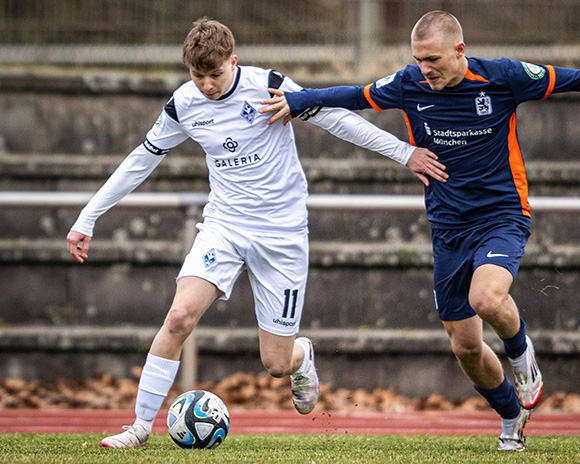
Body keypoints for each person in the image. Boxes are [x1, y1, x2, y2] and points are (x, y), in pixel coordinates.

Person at [66, 17, 447, 448]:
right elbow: (142, 158)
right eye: (197, 75)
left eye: (215, 74)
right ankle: (138, 428)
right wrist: (88, 216)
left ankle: (301, 357)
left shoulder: (270, 86)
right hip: (224, 227)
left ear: (234, 61)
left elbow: (338, 120)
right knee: (178, 317)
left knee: (276, 364)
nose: (207, 85)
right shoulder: (183, 103)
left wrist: (404, 153)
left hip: (282, 235)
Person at [260, 10, 559, 451]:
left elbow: (572, 78)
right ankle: (511, 416)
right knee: (465, 347)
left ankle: (521, 355)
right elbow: (355, 95)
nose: (425, 69)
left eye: (433, 59)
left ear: (461, 50)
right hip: (448, 228)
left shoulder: (505, 77)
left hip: (502, 216)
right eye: (418, 59)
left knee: (486, 297)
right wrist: (299, 101)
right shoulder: (410, 84)